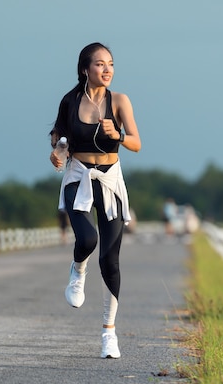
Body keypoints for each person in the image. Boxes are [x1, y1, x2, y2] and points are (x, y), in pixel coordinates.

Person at [49, 42, 141, 359]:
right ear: (85, 69)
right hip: (78, 176)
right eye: (100, 64)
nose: (107, 70)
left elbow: (137, 143)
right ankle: (78, 270)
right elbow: (60, 137)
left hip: (110, 179)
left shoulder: (120, 101)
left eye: (111, 64)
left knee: (110, 261)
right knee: (87, 238)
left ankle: (108, 334)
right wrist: (58, 152)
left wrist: (117, 134)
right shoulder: (70, 101)